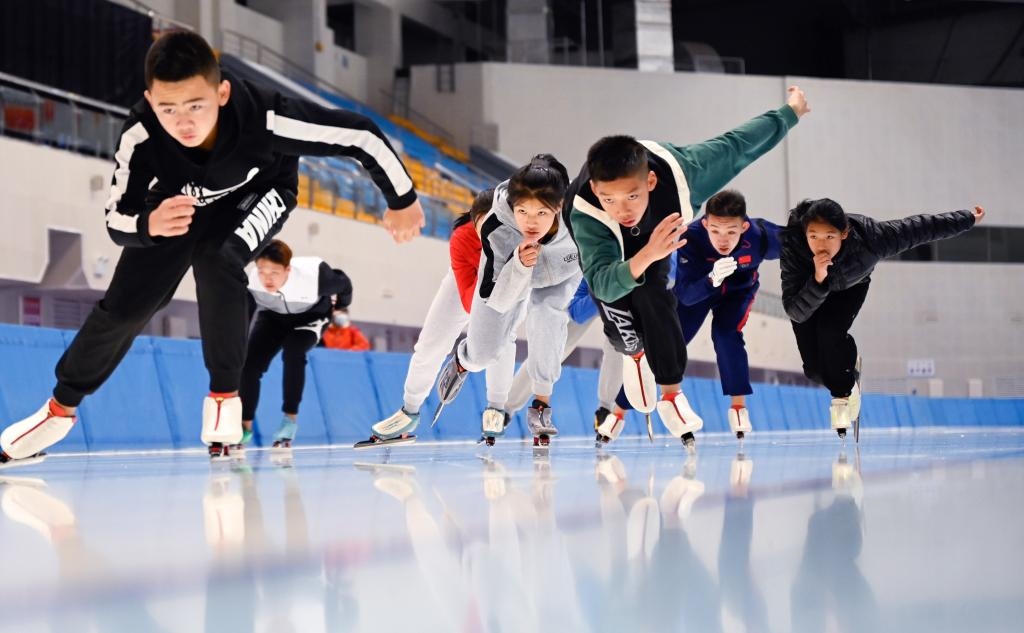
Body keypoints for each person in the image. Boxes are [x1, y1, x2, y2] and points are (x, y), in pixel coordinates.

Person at [0, 30, 424, 465]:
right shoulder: (141, 133)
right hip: (179, 204)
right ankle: (58, 410)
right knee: (124, 307)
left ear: (221, 93)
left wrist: (403, 199)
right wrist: (147, 223)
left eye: (196, 106)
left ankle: (224, 395)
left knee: (217, 259)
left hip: (261, 191)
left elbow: (359, 135)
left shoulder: (266, 117)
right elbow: (116, 218)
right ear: (149, 100)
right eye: (168, 109)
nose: (183, 123)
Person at [567, 87, 810, 450]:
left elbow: (739, 146)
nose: (622, 210)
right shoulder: (586, 214)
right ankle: (633, 351)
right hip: (610, 247)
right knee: (616, 298)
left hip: (658, 236)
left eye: (632, 196)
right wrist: (646, 253)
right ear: (594, 189)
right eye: (609, 199)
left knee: (657, 293)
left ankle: (671, 393)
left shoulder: (687, 174)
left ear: (650, 182)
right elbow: (602, 284)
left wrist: (789, 113)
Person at [781, 198, 984, 438]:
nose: (820, 244)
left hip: (850, 286)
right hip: (808, 290)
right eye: (813, 236)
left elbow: (919, 228)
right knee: (814, 371)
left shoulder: (872, 238)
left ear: (844, 233)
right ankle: (847, 369)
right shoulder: (793, 246)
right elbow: (795, 311)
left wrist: (967, 218)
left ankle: (843, 393)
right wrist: (818, 278)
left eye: (829, 236)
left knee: (830, 331)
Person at [433, 155, 582, 447]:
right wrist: (520, 266)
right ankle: (463, 360)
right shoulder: (498, 227)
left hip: (562, 271)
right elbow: (497, 300)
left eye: (542, 212)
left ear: (559, 206)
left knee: (548, 314)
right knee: (484, 354)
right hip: (509, 276)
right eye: (522, 211)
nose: (531, 221)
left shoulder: (580, 218)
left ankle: (541, 405)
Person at [356, 188, 519, 448]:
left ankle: (496, 408)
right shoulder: (463, 237)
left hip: (511, 280)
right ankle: (409, 411)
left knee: (505, 337)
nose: (491, 232)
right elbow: (470, 304)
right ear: (474, 221)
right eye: (484, 225)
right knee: (431, 342)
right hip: (469, 284)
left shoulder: (519, 237)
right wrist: (489, 266)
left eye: (497, 224)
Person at [238, 239, 352, 449]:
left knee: (293, 352)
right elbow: (244, 319)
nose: (267, 279)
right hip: (273, 318)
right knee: (250, 365)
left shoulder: (315, 277)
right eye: (262, 271)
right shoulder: (252, 282)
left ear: (287, 270)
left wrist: (341, 306)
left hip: (310, 319)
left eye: (274, 272)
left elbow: (344, 283)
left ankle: (289, 421)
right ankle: (244, 426)